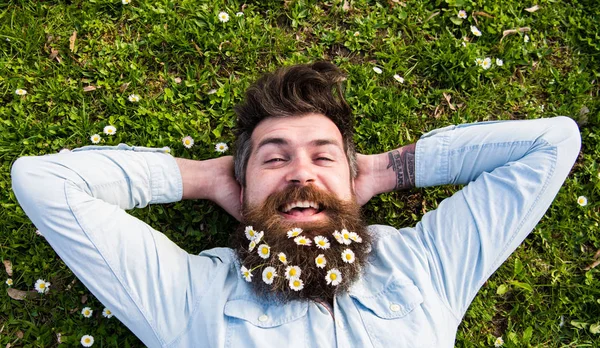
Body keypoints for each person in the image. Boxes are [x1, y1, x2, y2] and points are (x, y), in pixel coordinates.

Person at [11, 62, 581, 347]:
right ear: (242, 187)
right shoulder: (192, 299)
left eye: (323, 157)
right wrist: (204, 177)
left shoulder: (424, 264)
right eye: (274, 159)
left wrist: (385, 169)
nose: (301, 172)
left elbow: (550, 144)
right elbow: (45, 183)